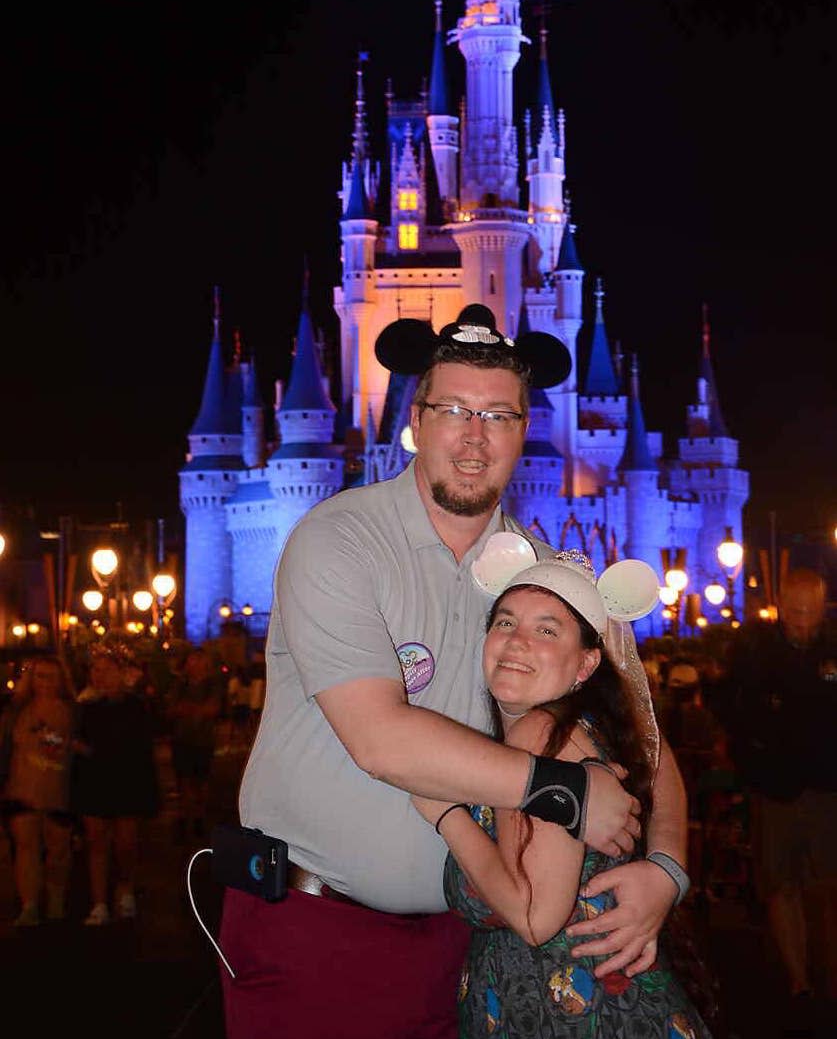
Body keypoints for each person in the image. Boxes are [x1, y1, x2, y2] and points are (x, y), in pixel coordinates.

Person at [222, 305, 689, 1039]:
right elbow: (380, 740)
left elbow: (647, 737)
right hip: (316, 930)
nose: (474, 437)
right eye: (454, 410)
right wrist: (564, 792)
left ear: (524, 429)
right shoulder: (340, 539)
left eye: (499, 415)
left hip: (464, 953)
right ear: (416, 417)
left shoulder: (540, 575)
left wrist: (666, 867)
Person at [411, 554, 713, 1037]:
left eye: (547, 630)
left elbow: (533, 917)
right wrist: (668, 870)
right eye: (505, 621)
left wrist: (444, 812)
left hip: (567, 1014)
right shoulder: (589, 731)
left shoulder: (543, 734)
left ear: (587, 662)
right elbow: (661, 764)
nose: (516, 640)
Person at [717, 567, 837, 1023]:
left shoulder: (832, 646)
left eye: (811, 612)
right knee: (781, 885)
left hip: (828, 788)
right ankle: (799, 983)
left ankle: (828, 977)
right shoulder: (756, 651)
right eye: (796, 612)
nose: (803, 622)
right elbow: (730, 705)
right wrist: (754, 756)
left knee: (827, 887)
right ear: (782, 607)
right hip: (776, 789)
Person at [71, 643, 160, 925]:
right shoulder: (84, 705)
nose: (100, 676)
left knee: (125, 842)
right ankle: (99, 902)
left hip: (125, 780)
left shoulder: (135, 706)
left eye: (107, 670)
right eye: (96, 670)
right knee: (96, 841)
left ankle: (125, 889)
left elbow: (139, 745)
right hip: (93, 780)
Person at [0, 653, 77, 926]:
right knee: (25, 847)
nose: (45, 682)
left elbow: (78, 748)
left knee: (58, 848)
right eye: (39, 676)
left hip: (59, 790)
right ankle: (29, 905)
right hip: (22, 788)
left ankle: (56, 902)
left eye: (51, 676)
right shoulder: (16, 710)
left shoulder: (72, 710)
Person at [166, 644, 225, 840]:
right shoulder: (180, 684)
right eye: (193, 659)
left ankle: (199, 818)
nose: (196, 663)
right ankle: (185, 817)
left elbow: (213, 708)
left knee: (201, 781)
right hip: (182, 738)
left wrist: (190, 709)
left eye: (200, 659)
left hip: (203, 740)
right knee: (183, 781)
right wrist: (194, 709)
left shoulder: (213, 684)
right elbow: (171, 708)